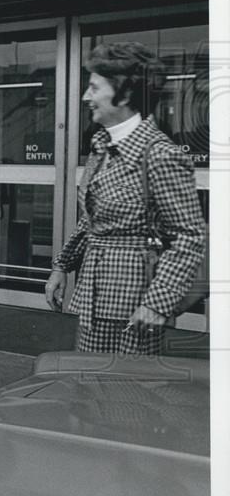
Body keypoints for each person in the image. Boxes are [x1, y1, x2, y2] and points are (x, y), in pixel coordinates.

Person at [45, 42, 206, 354]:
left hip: (134, 302)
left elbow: (190, 236)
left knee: (125, 394)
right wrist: (62, 265)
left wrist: (158, 303)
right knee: (91, 386)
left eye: (93, 87)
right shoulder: (102, 144)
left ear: (125, 93)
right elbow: (93, 220)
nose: (85, 97)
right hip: (95, 294)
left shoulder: (160, 154)